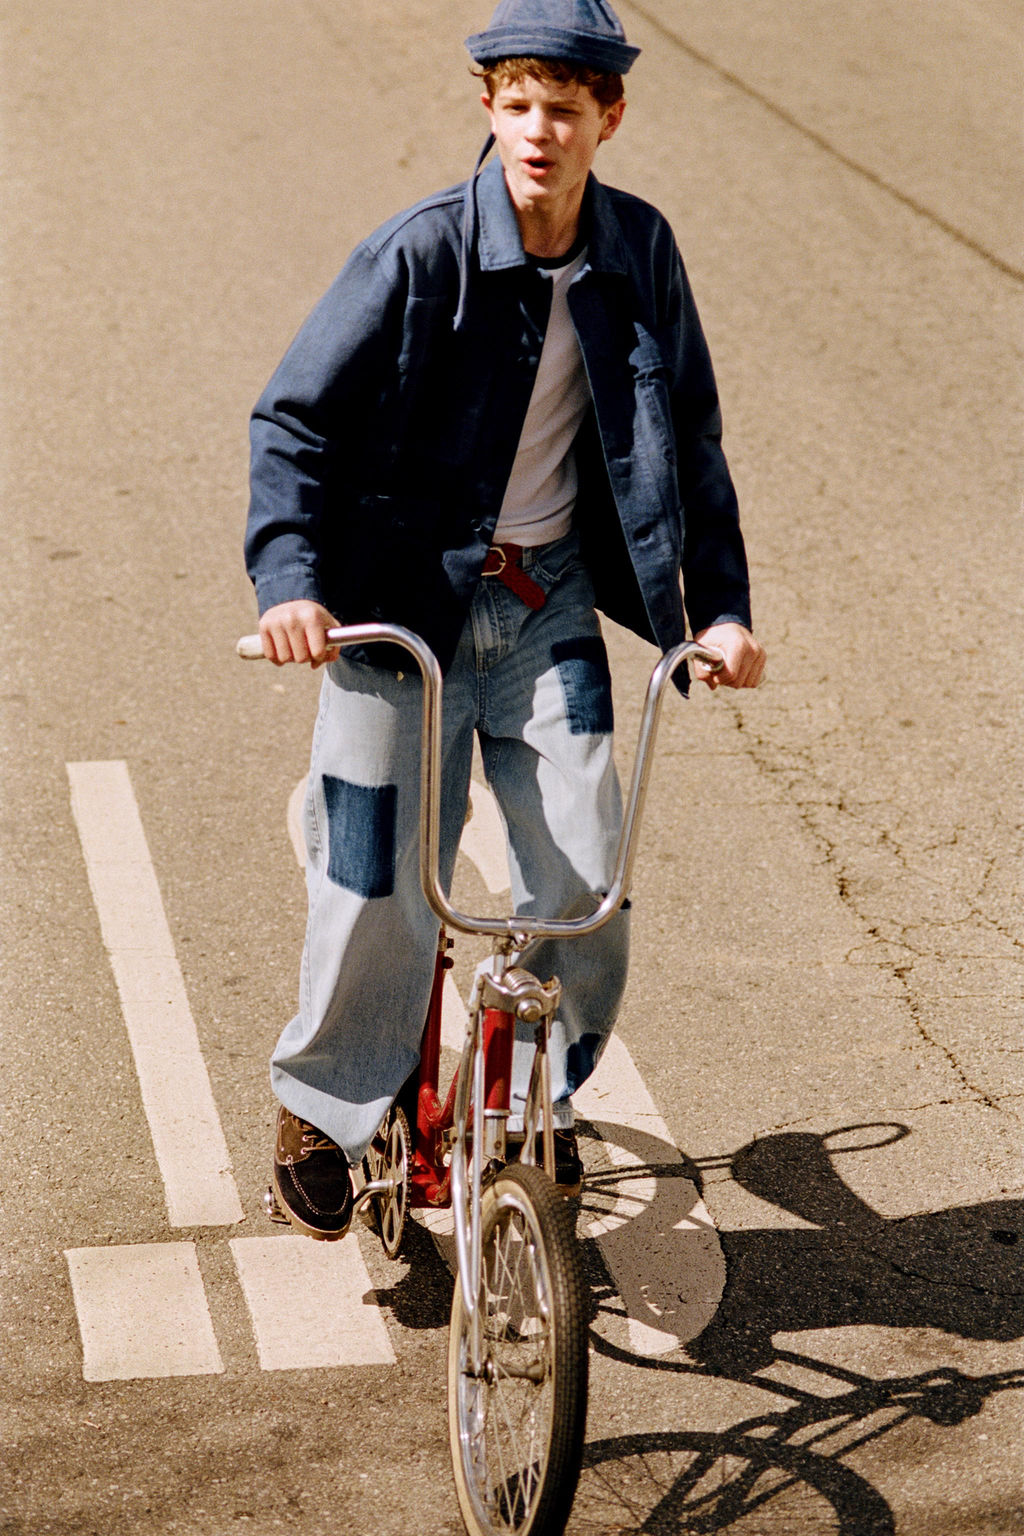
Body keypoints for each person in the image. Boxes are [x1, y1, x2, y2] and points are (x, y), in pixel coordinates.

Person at [245, 0, 766, 1239]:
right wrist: (291, 588)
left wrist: (726, 610)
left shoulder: (639, 250)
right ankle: (324, 1108)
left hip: (547, 613)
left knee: (586, 885)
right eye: (518, 105)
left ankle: (534, 1107)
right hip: (394, 624)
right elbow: (293, 426)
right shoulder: (417, 254)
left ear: (609, 118)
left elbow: (688, 439)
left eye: (566, 109)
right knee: (377, 889)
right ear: (489, 109)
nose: (540, 131)